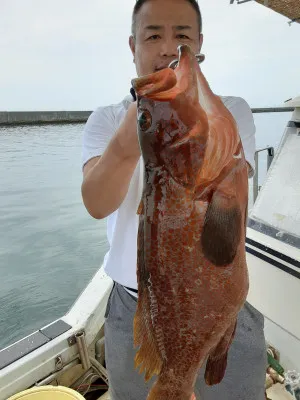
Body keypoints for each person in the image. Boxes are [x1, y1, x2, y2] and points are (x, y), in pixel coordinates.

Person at [81, 0, 267, 399]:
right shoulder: (107, 121)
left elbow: (228, 209)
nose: (168, 48)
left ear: (198, 44)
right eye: (153, 35)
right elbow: (96, 203)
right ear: (133, 46)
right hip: (134, 310)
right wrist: (130, 142)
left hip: (220, 305)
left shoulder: (232, 112)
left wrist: (160, 126)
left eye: (181, 35)